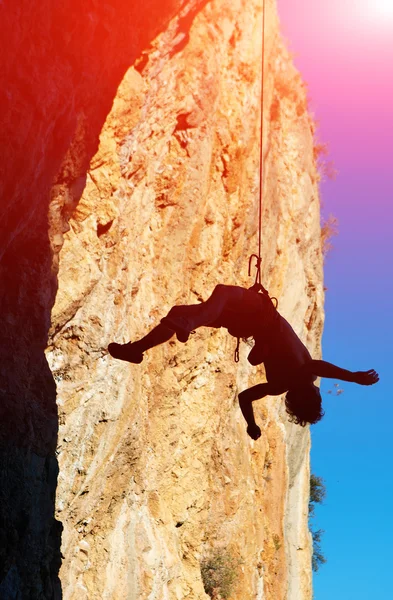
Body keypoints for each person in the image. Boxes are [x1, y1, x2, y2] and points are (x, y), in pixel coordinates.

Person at [108, 284, 379, 439]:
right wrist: (250, 423)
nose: (320, 391)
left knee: (222, 292)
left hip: (261, 315)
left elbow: (319, 366)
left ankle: (187, 323)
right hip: (247, 324)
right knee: (180, 312)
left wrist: (354, 377)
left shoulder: (303, 374)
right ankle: (139, 349)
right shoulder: (279, 385)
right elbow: (245, 397)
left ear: (311, 395)